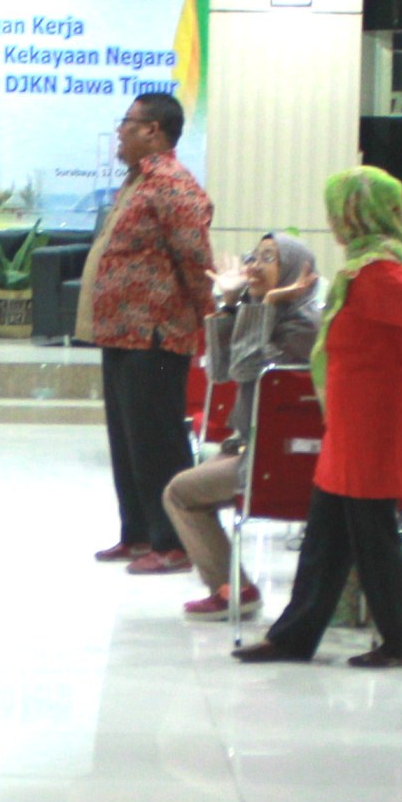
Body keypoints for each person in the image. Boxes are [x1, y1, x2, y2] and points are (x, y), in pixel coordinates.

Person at [233, 168, 402, 667]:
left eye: (337, 210)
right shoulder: (368, 266)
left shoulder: (376, 271)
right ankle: (294, 636)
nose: (332, 220)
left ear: (356, 213)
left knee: (372, 532)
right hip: (355, 418)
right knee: (327, 531)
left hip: (374, 419)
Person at [82, 89, 213, 568]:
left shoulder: (172, 184)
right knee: (128, 442)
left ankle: (174, 543)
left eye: (127, 123)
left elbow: (195, 258)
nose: (119, 132)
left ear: (152, 130)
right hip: (121, 332)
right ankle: (137, 533)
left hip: (155, 333)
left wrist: (206, 316)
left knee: (158, 443)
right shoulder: (138, 182)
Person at [163, 231, 317, 616]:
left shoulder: (303, 326)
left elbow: (247, 367)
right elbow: (220, 372)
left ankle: (234, 591)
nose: (255, 266)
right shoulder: (267, 312)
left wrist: (262, 305)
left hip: (282, 459)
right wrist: (231, 305)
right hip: (253, 449)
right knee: (184, 492)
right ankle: (234, 588)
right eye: (254, 257)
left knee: (180, 493)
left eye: (269, 258)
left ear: (294, 273)